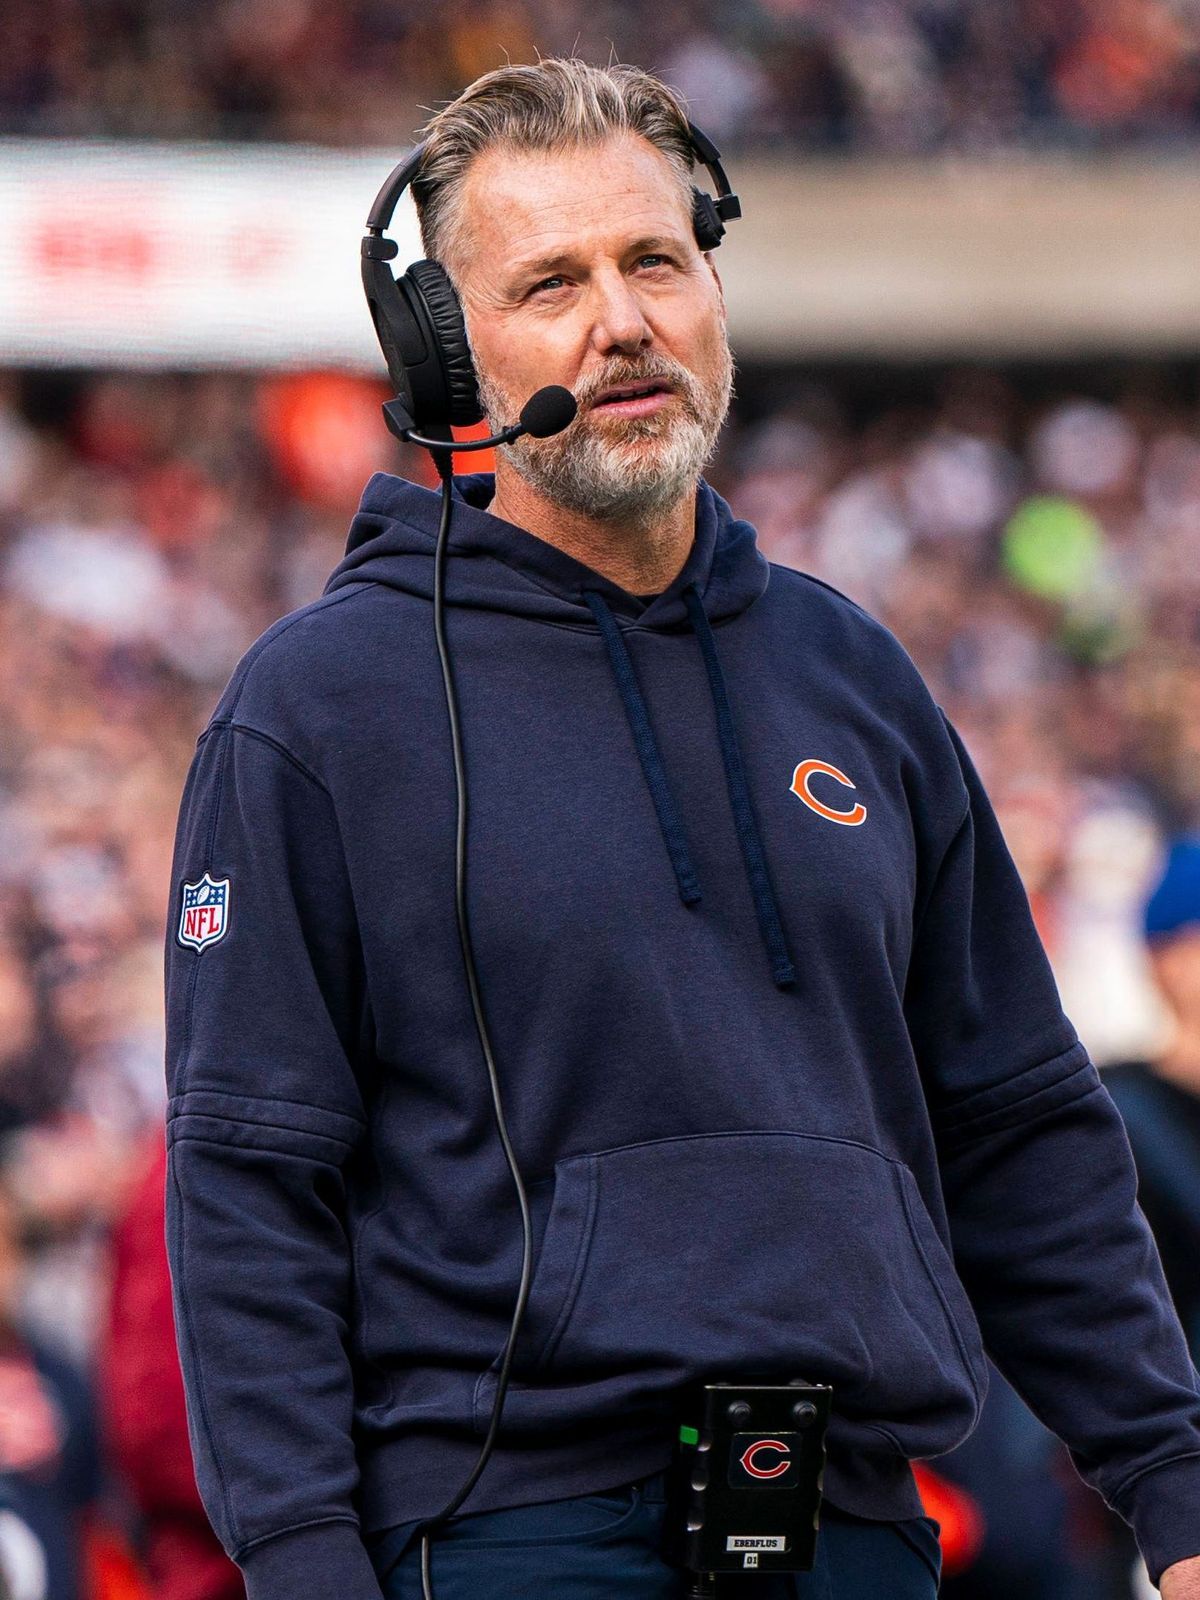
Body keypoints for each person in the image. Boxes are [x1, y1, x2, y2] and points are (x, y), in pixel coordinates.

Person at [163, 58, 1200, 1600]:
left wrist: (1175, 1485)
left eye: (655, 259)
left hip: (854, 1521)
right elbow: (251, 1184)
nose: (622, 321)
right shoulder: (317, 712)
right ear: (450, 351)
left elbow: (1019, 1122)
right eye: (550, 282)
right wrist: (306, 1559)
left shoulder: (855, 676)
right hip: (506, 1537)